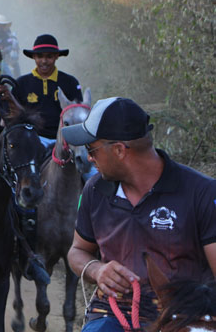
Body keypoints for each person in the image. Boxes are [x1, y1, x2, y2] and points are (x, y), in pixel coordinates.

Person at [63, 97, 216, 331]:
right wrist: (97, 270)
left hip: (182, 319)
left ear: (119, 150)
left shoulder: (202, 194)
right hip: (111, 316)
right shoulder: (95, 190)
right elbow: (77, 251)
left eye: (91, 149)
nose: (90, 158)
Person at [9, 34, 83, 147]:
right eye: (39, 56)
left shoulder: (70, 82)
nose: (44, 61)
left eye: (49, 56)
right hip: (30, 142)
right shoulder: (21, 83)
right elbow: (13, 116)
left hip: (63, 142)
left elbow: (78, 115)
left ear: (57, 56)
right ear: (34, 57)